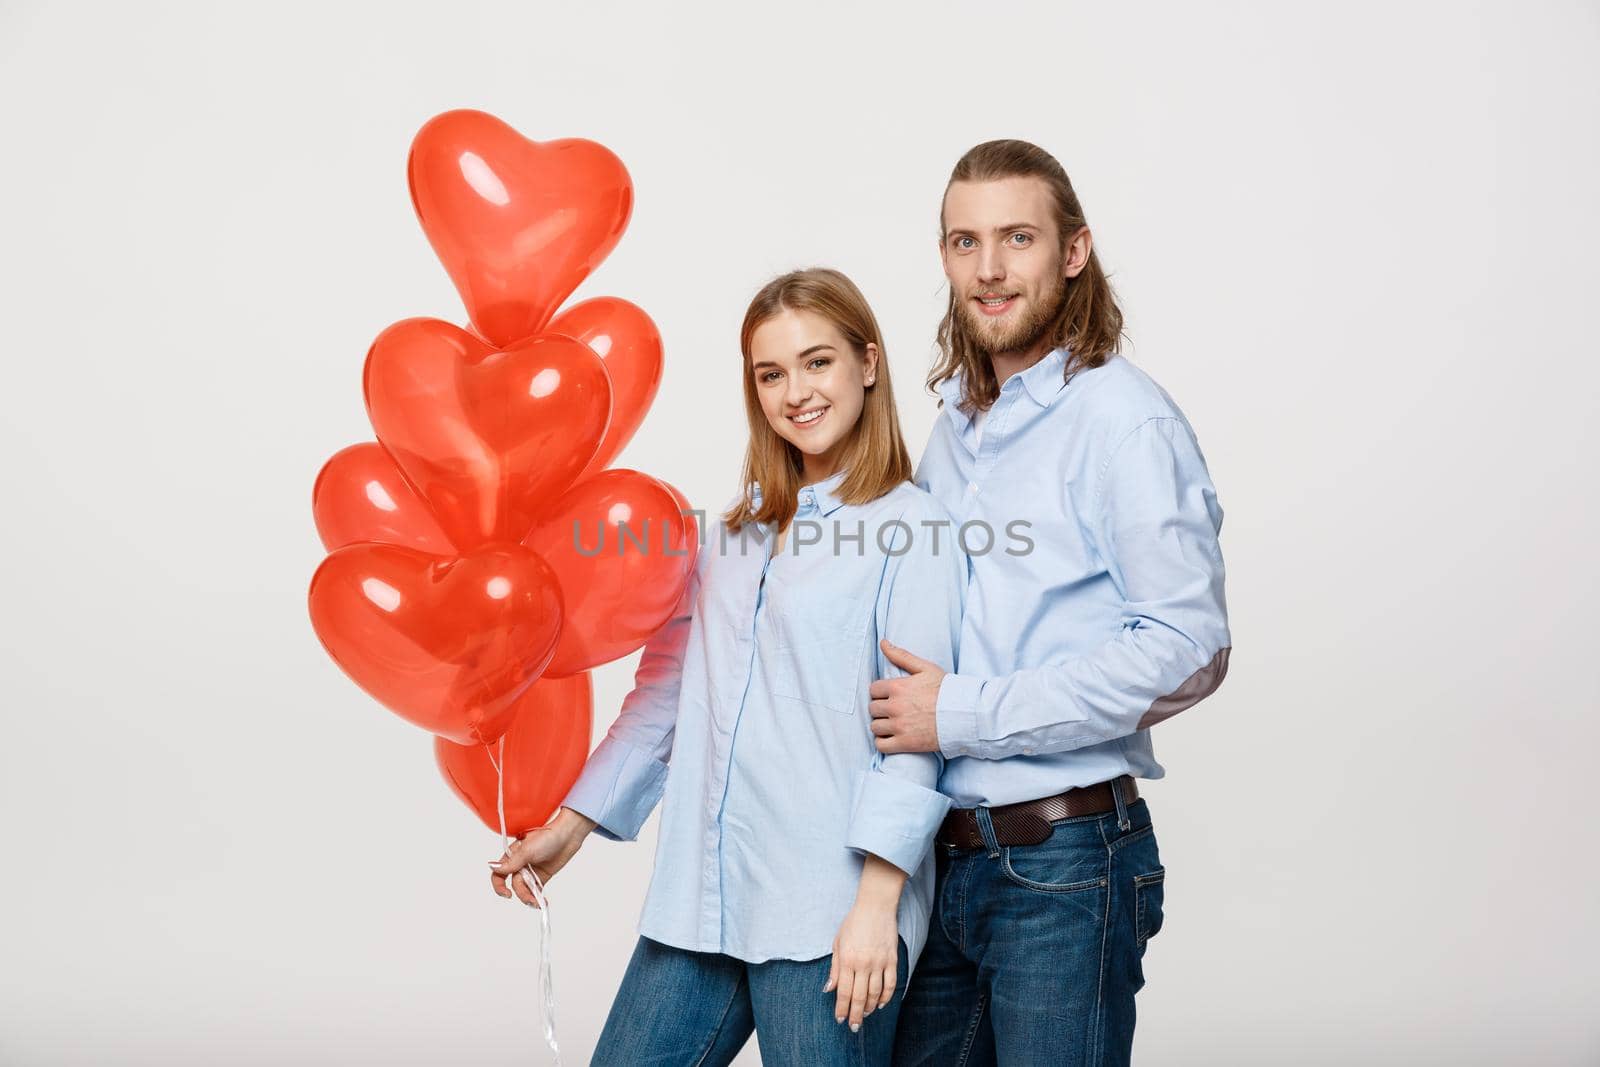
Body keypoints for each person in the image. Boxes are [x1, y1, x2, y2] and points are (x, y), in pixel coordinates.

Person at [489, 268, 967, 1065]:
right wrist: (569, 825)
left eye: (817, 361)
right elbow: (665, 695)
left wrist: (878, 905)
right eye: (770, 373)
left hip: (828, 911)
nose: (796, 392)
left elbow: (914, 736)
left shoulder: (912, 530)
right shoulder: (732, 536)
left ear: (869, 363)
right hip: (703, 897)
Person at [868, 140, 1233, 1065]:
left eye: (1017, 237)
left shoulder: (1124, 421)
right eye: (963, 242)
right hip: (939, 865)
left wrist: (962, 712)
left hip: (1063, 865)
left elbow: (1190, 646)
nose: (988, 270)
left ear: (1073, 251)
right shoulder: (954, 430)